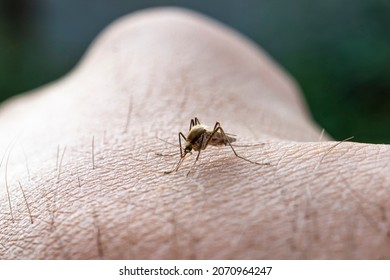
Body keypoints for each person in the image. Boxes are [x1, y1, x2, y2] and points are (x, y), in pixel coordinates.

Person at [0, 8, 389, 259]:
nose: (189, 149)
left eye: (190, 148)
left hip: (222, 138)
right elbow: (188, 138)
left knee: (202, 121)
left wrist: (212, 146)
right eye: (189, 147)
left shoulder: (207, 139)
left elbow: (201, 137)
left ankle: (234, 150)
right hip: (203, 134)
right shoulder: (189, 138)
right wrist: (180, 157)